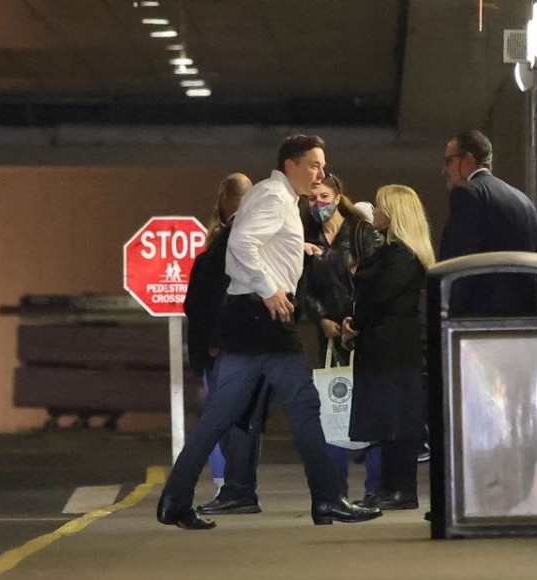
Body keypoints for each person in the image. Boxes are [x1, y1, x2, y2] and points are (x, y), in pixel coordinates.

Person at [157, 134, 382, 530]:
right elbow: (242, 244)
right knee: (305, 408)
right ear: (290, 165)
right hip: (266, 321)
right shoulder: (274, 197)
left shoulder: (279, 200)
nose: (321, 173)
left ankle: (174, 500)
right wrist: (270, 289)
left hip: (248, 323)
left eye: (323, 166)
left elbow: (258, 244)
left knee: (219, 415)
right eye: (314, 164)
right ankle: (328, 499)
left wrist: (298, 253)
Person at [183, 172, 273, 517]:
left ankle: (239, 490)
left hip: (231, 347)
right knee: (240, 420)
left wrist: (216, 340)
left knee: (234, 421)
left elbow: (220, 295)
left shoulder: (236, 237)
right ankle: (239, 488)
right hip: (243, 344)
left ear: (225, 200)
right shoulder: (256, 236)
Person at [341, 184, 435, 510]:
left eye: (380, 208)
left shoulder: (402, 255)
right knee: (388, 419)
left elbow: (378, 295)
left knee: (397, 418)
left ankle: (401, 490)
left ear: (394, 214)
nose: (375, 213)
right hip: (385, 344)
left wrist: (358, 317)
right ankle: (387, 488)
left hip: (392, 347)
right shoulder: (393, 253)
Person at [300, 174, 384, 498]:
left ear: (338, 197)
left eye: (323, 196)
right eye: (311, 198)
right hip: (330, 337)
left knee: (371, 407)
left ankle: (376, 489)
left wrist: (357, 318)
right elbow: (304, 285)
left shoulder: (361, 231)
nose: (317, 204)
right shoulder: (309, 237)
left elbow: (377, 279)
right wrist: (322, 318)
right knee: (332, 408)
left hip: (365, 332)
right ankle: (335, 492)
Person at [438, 130, 537, 316]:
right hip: (525, 313)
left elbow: (460, 261)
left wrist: (450, 315)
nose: (444, 169)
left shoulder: (467, 193)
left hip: (481, 315)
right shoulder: (524, 200)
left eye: (449, 161)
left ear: (467, 159)